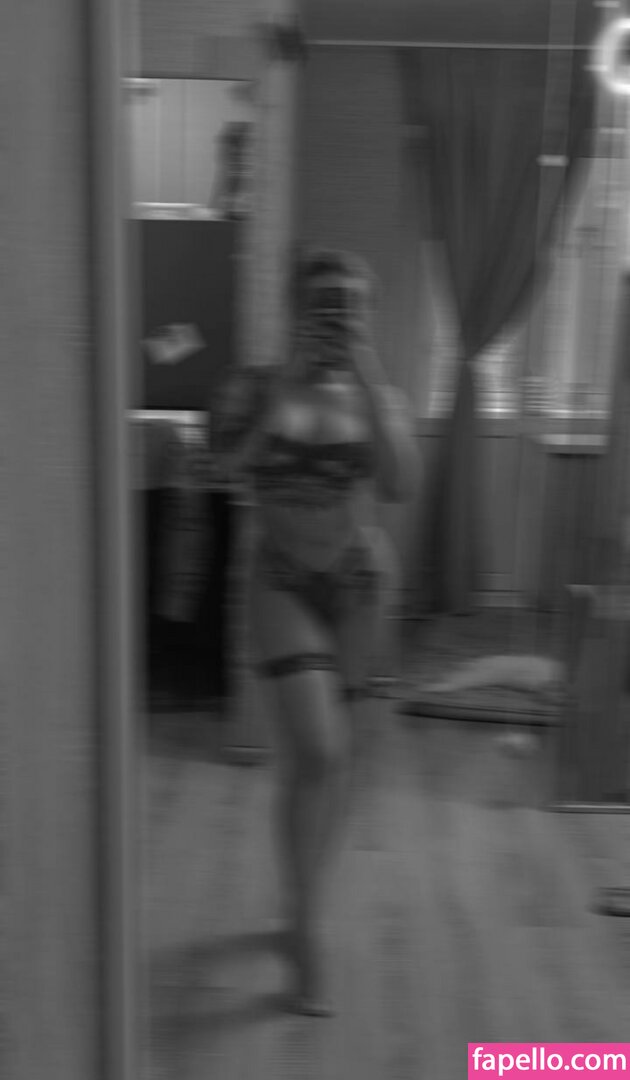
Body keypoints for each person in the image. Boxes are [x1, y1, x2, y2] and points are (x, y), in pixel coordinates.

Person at [212, 248, 419, 1015]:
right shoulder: (252, 385)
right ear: (294, 309)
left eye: (351, 304)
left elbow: (400, 485)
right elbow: (223, 464)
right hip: (280, 579)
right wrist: (284, 387)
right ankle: (303, 928)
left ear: (367, 313)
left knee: (340, 764)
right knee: (318, 752)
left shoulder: (377, 393)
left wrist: (367, 374)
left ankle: (304, 908)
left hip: (361, 580)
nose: (337, 315)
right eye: (324, 302)